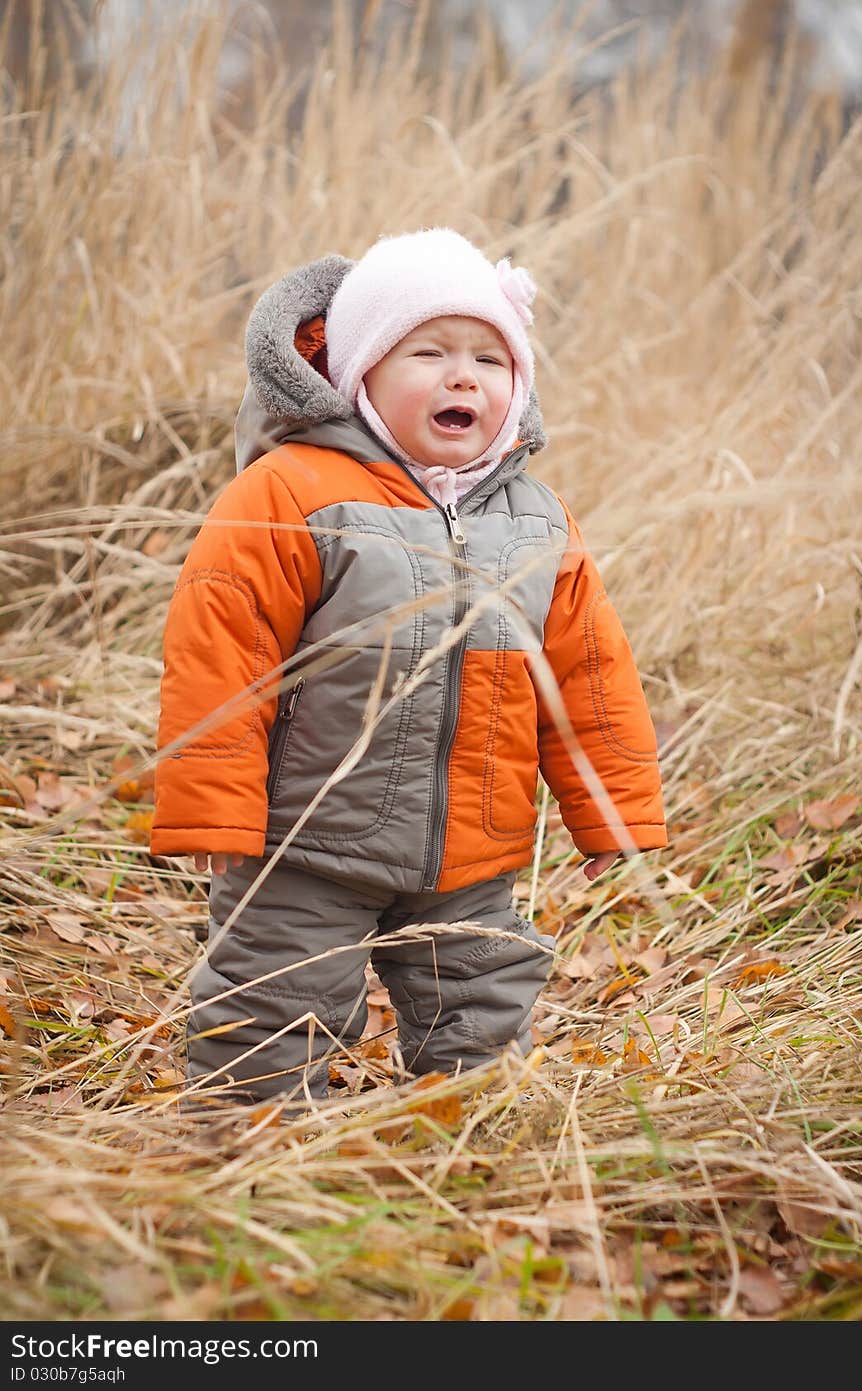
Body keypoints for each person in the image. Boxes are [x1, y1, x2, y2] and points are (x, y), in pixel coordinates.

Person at [150, 227, 667, 1107]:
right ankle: (247, 1151)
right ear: (360, 377)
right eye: (428, 352)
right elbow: (221, 655)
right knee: (273, 1005)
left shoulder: (539, 524)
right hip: (304, 846)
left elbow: (590, 679)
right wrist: (211, 808)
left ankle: (468, 1147)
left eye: (490, 360)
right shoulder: (291, 493)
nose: (463, 376)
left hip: (473, 852)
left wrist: (614, 812)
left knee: (485, 1013)